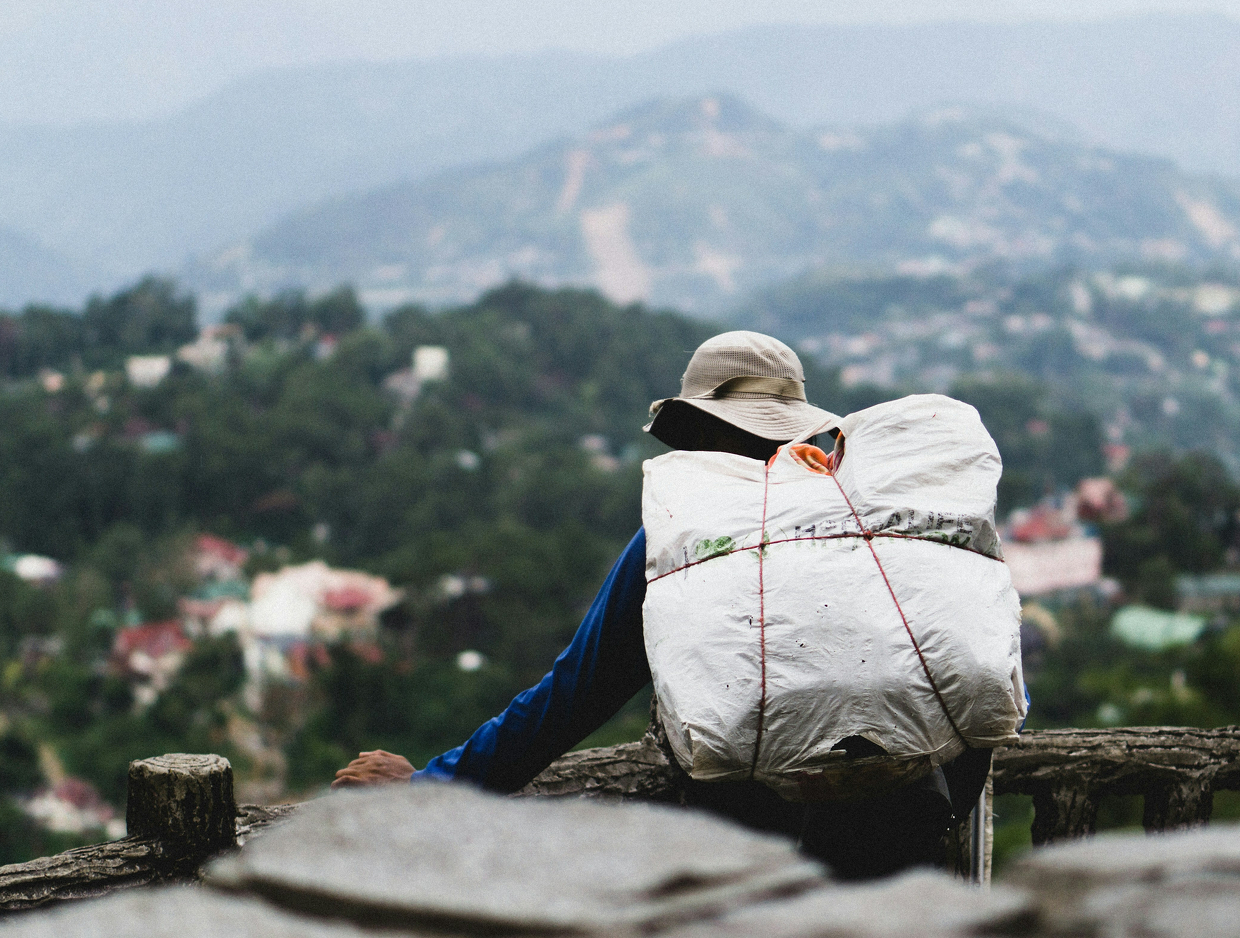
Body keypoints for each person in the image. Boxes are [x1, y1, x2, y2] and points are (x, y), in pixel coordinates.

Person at [333, 330, 990, 878]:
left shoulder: (681, 541)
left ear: (699, 430)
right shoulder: (880, 523)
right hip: (905, 830)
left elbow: (575, 694)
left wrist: (429, 788)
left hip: (756, 849)